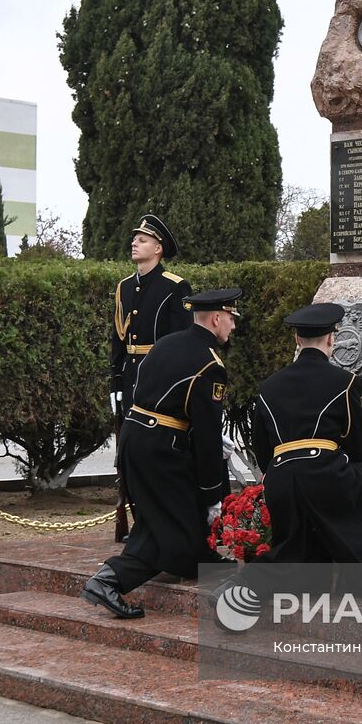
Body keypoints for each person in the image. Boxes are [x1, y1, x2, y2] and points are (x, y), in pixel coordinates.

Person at [243, 303, 362, 596]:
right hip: (325, 477)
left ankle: (248, 586)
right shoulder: (345, 381)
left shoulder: (268, 386)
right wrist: (353, 475)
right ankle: (361, 581)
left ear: (296, 340)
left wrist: (276, 474)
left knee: (300, 553)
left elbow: (262, 445)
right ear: (331, 340)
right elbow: (356, 437)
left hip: (280, 480)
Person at [82, 289, 241, 619]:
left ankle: (206, 559)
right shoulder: (211, 365)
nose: (233, 327)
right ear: (215, 319)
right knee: (174, 533)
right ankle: (109, 580)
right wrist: (215, 498)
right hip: (162, 449)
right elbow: (207, 438)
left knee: (161, 517)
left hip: (135, 437)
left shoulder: (166, 343)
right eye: (231, 318)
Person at [109, 213, 192, 415]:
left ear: (157, 249)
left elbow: (182, 342)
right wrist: (116, 381)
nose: (134, 243)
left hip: (160, 380)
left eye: (142, 240)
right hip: (130, 379)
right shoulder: (125, 286)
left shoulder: (175, 286)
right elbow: (118, 338)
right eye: (134, 239)